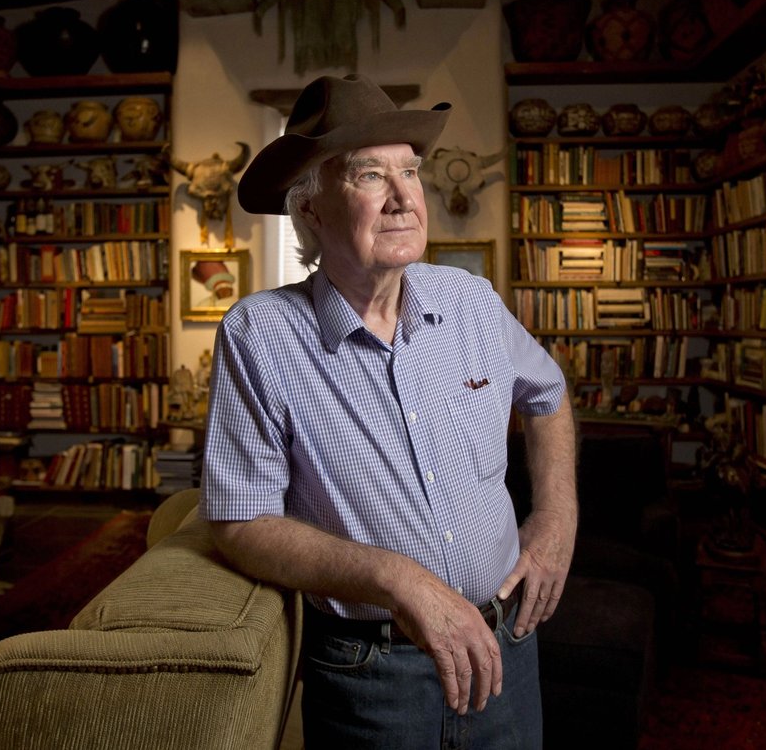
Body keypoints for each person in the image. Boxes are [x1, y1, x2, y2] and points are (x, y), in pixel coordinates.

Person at [199, 73, 577, 748]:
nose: (405, 197)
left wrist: (556, 517)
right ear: (311, 208)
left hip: (507, 645)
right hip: (374, 673)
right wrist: (395, 578)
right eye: (370, 175)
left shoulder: (470, 301)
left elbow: (547, 396)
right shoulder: (260, 335)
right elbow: (239, 522)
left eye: (410, 171)